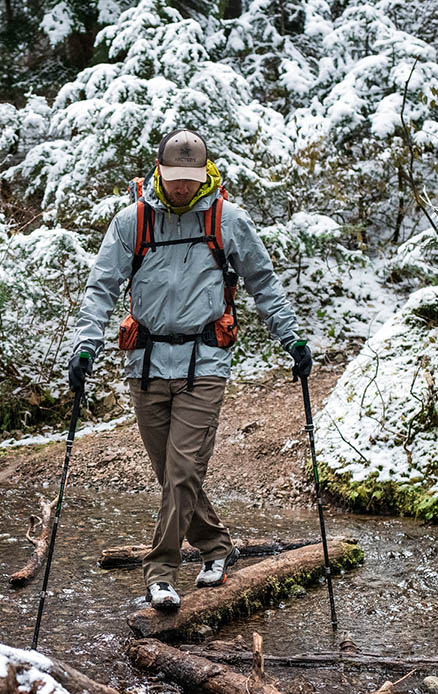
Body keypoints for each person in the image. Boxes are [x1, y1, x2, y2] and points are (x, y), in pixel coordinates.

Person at [68, 129, 312, 612]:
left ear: (204, 175)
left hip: (205, 363)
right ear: (158, 170)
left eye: (190, 179)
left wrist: (293, 339)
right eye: (174, 178)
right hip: (146, 364)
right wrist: (84, 348)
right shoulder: (132, 222)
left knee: (181, 471)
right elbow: (101, 289)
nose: (181, 188)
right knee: (171, 475)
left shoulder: (228, 220)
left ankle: (160, 573)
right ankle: (217, 546)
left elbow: (264, 284)